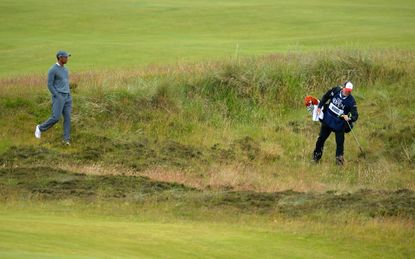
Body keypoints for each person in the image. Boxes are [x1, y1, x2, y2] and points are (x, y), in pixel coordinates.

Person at [312, 81, 358, 165]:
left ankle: (339, 163)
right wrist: (319, 106)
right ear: (343, 87)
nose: (347, 92)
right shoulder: (336, 90)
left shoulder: (351, 101)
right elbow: (326, 97)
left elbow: (355, 116)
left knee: (340, 144)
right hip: (327, 120)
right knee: (321, 139)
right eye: (346, 89)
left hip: (339, 125)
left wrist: (349, 118)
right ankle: (316, 157)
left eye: (349, 91)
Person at [35, 50, 72, 145]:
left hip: (67, 97)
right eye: (66, 57)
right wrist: (57, 95)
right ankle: (40, 128)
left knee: (67, 118)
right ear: (60, 58)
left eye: (67, 57)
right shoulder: (53, 69)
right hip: (59, 97)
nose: (67, 58)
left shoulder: (66, 69)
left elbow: (65, 83)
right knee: (56, 117)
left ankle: (66, 139)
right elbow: (49, 85)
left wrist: (69, 94)